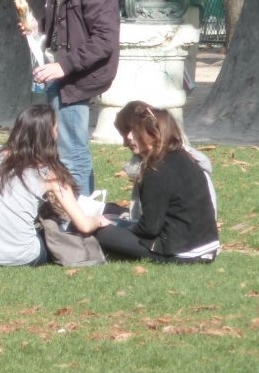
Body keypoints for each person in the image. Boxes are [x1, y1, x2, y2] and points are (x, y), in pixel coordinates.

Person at [22, 0, 121, 196]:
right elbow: (64, 25)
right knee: (60, 148)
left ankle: (79, 214)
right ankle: (71, 210)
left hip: (76, 79)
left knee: (72, 152)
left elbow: (105, 40)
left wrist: (63, 66)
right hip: (59, 73)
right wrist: (37, 29)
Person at [0, 104, 111, 267]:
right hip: (21, 256)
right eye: (56, 129)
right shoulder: (49, 173)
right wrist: (98, 220)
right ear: (48, 135)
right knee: (52, 230)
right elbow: (84, 225)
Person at [94, 102, 220, 263]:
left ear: (152, 133)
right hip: (207, 246)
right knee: (114, 218)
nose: (128, 140)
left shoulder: (155, 170)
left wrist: (115, 226)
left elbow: (150, 228)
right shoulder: (185, 157)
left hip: (181, 251)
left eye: (133, 132)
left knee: (100, 231)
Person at [106, 100, 217, 222]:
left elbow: (150, 225)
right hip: (162, 225)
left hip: (173, 230)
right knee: (108, 211)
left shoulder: (161, 167)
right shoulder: (159, 160)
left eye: (128, 134)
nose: (125, 143)